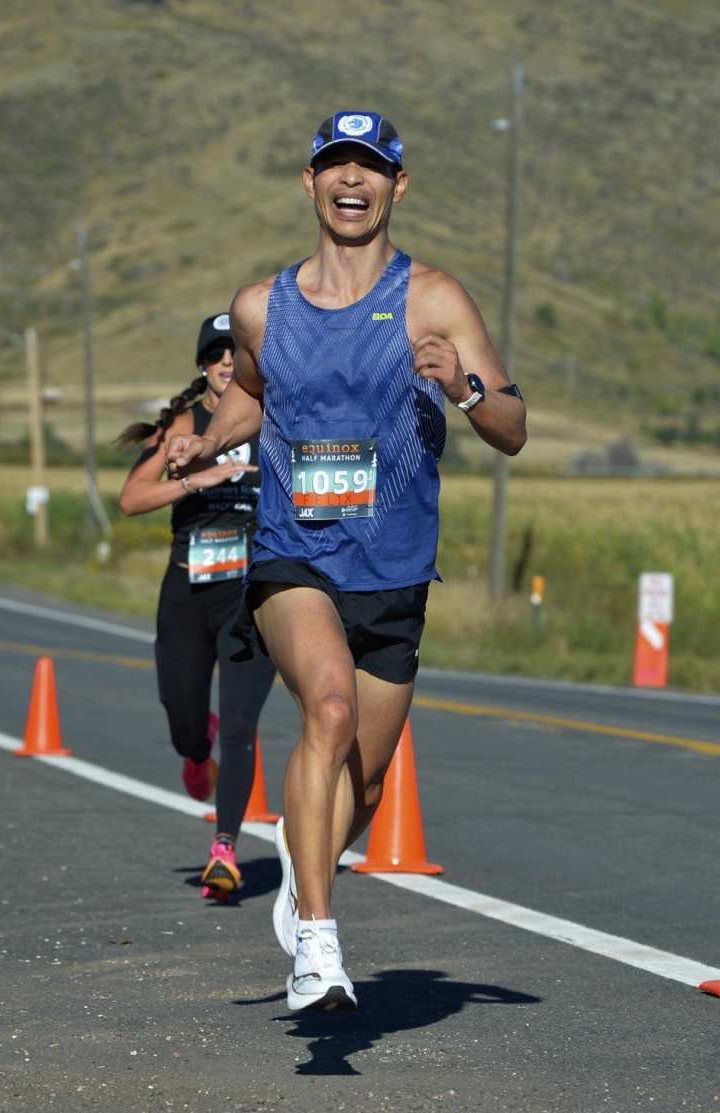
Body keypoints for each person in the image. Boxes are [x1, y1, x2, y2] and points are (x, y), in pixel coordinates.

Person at [166, 112, 527, 1009]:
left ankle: (304, 868)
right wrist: (202, 446)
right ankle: (319, 946)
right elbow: (253, 396)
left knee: (359, 784)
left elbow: (512, 426)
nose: (352, 181)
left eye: (372, 167)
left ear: (398, 186)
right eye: (337, 166)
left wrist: (463, 385)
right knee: (323, 703)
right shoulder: (262, 307)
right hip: (295, 557)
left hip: (396, 569)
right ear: (311, 181)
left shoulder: (433, 299)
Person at [118, 313, 276, 901]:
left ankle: (225, 848)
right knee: (187, 722)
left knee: (241, 725)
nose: (228, 364)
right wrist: (196, 482)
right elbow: (132, 498)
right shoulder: (185, 423)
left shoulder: (271, 416)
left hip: (251, 594)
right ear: (203, 365)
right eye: (216, 355)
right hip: (186, 591)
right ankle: (194, 746)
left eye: (236, 352)